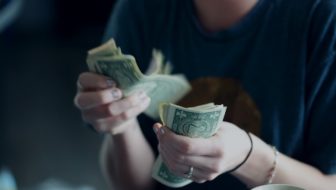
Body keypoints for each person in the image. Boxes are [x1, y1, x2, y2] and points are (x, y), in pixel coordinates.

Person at [74, 0, 336, 189]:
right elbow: (135, 186)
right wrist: (122, 126)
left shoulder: (323, 18)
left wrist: (248, 156)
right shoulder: (141, 9)